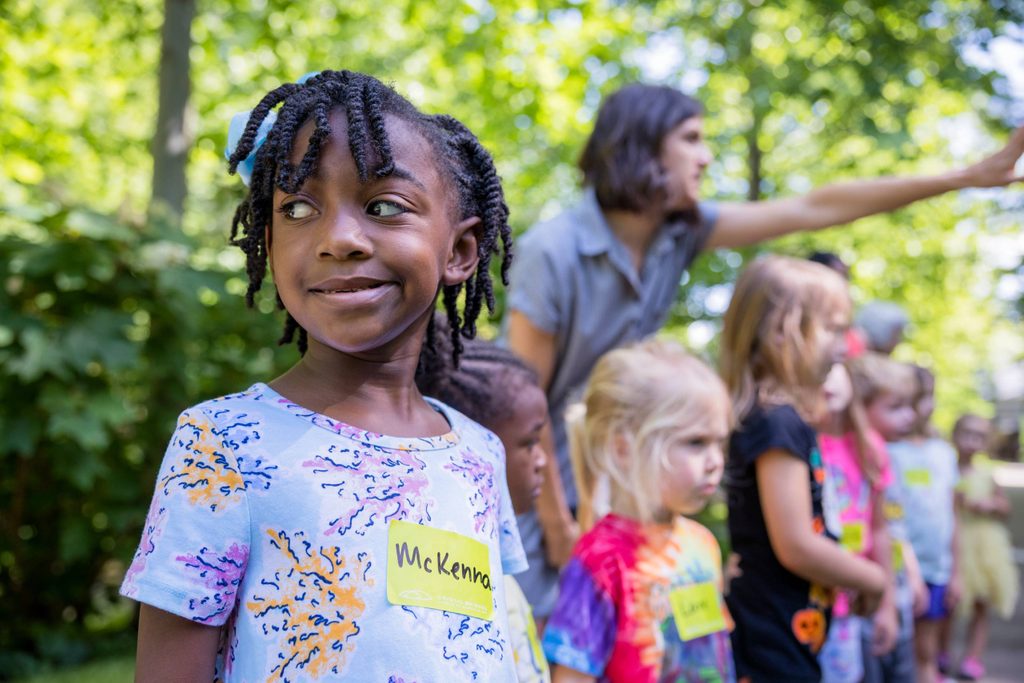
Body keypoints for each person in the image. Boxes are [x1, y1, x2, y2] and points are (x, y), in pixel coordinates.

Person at [503, 82, 1024, 616]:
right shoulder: (556, 250)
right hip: (535, 488)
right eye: (691, 138)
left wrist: (966, 178)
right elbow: (523, 398)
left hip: (613, 476)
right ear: (642, 145)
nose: (707, 156)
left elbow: (814, 206)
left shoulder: (677, 234)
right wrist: (556, 524)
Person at [120, 70, 527, 681]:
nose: (338, 238)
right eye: (299, 208)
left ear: (460, 253)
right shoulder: (222, 442)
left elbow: (495, 643)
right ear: (267, 242)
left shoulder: (479, 454)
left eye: (384, 206)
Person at [719, 255, 888, 682]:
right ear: (784, 332)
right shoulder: (777, 423)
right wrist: (873, 579)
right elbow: (795, 544)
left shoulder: (785, 419)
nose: (846, 343)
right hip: (771, 635)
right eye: (834, 328)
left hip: (788, 629)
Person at [541, 339, 735, 683]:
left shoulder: (702, 543)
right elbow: (571, 676)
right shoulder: (600, 561)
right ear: (623, 449)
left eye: (720, 442)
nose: (715, 461)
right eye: (696, 442)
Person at [416, 332, 552, 683]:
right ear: (477, 447)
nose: (543, 461)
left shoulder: (498, 567)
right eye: (529, 442)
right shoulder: (445, 577)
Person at [816, 362, 899, 683]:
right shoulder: (797, 440)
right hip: (805, 601)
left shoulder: (870, 447)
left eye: (834, 365)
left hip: (852, 604)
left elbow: (880, 530)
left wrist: (887, 604)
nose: (827, 378)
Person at [850, 353, 929, 683]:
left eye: (910, 406)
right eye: (895, 407)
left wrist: (911, 573)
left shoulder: (886, 459)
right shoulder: (854, 460)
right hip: (864, 600)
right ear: (861, 408)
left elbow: (892, 528)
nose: (909, 416)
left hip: (893, 590)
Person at [884, 364, 960, 683]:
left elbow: (954, 514)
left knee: (926, 651)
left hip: (936, 569)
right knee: (896, 653)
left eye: (929, 397)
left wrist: (958, 570)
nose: (926, 407)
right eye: (918, 398)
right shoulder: (888, 450)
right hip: (898, 572)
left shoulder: (944, 453)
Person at [941, 414, 1018, 681]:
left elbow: (1003, 506)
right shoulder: (945, 470)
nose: (972, 442)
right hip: (955, 542)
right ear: (955, 435)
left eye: (979, 437)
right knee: (948, 604)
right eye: (968, 434)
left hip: (983, 546)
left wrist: (990, 506)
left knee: (980, 605)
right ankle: (943, 651)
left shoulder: (986, 474)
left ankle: (973, 657)